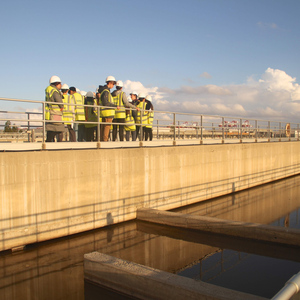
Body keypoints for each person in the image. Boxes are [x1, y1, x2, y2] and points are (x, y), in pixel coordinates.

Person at [98, 76, 119, 141]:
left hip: (104, 113)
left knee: (103, 128)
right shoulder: (106, 91)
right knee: (106, 128)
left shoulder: (103, 91)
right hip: (107, 113)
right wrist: (115, 106)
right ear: (109, 83)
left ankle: (102, 141)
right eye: (113, 84)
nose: (113, 86)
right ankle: (104, 141)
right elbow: (106, 103)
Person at [45, 75, 65, 142]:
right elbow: (58, 99)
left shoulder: (49, 89)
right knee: (58, 128)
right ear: (56, 83)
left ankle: (49, 141)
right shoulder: (54, 91)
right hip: (55, 112)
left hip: (50, 112)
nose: (61, 85)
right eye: (60, 83)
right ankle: (50, 141)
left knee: (51, 129)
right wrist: (62, 107)